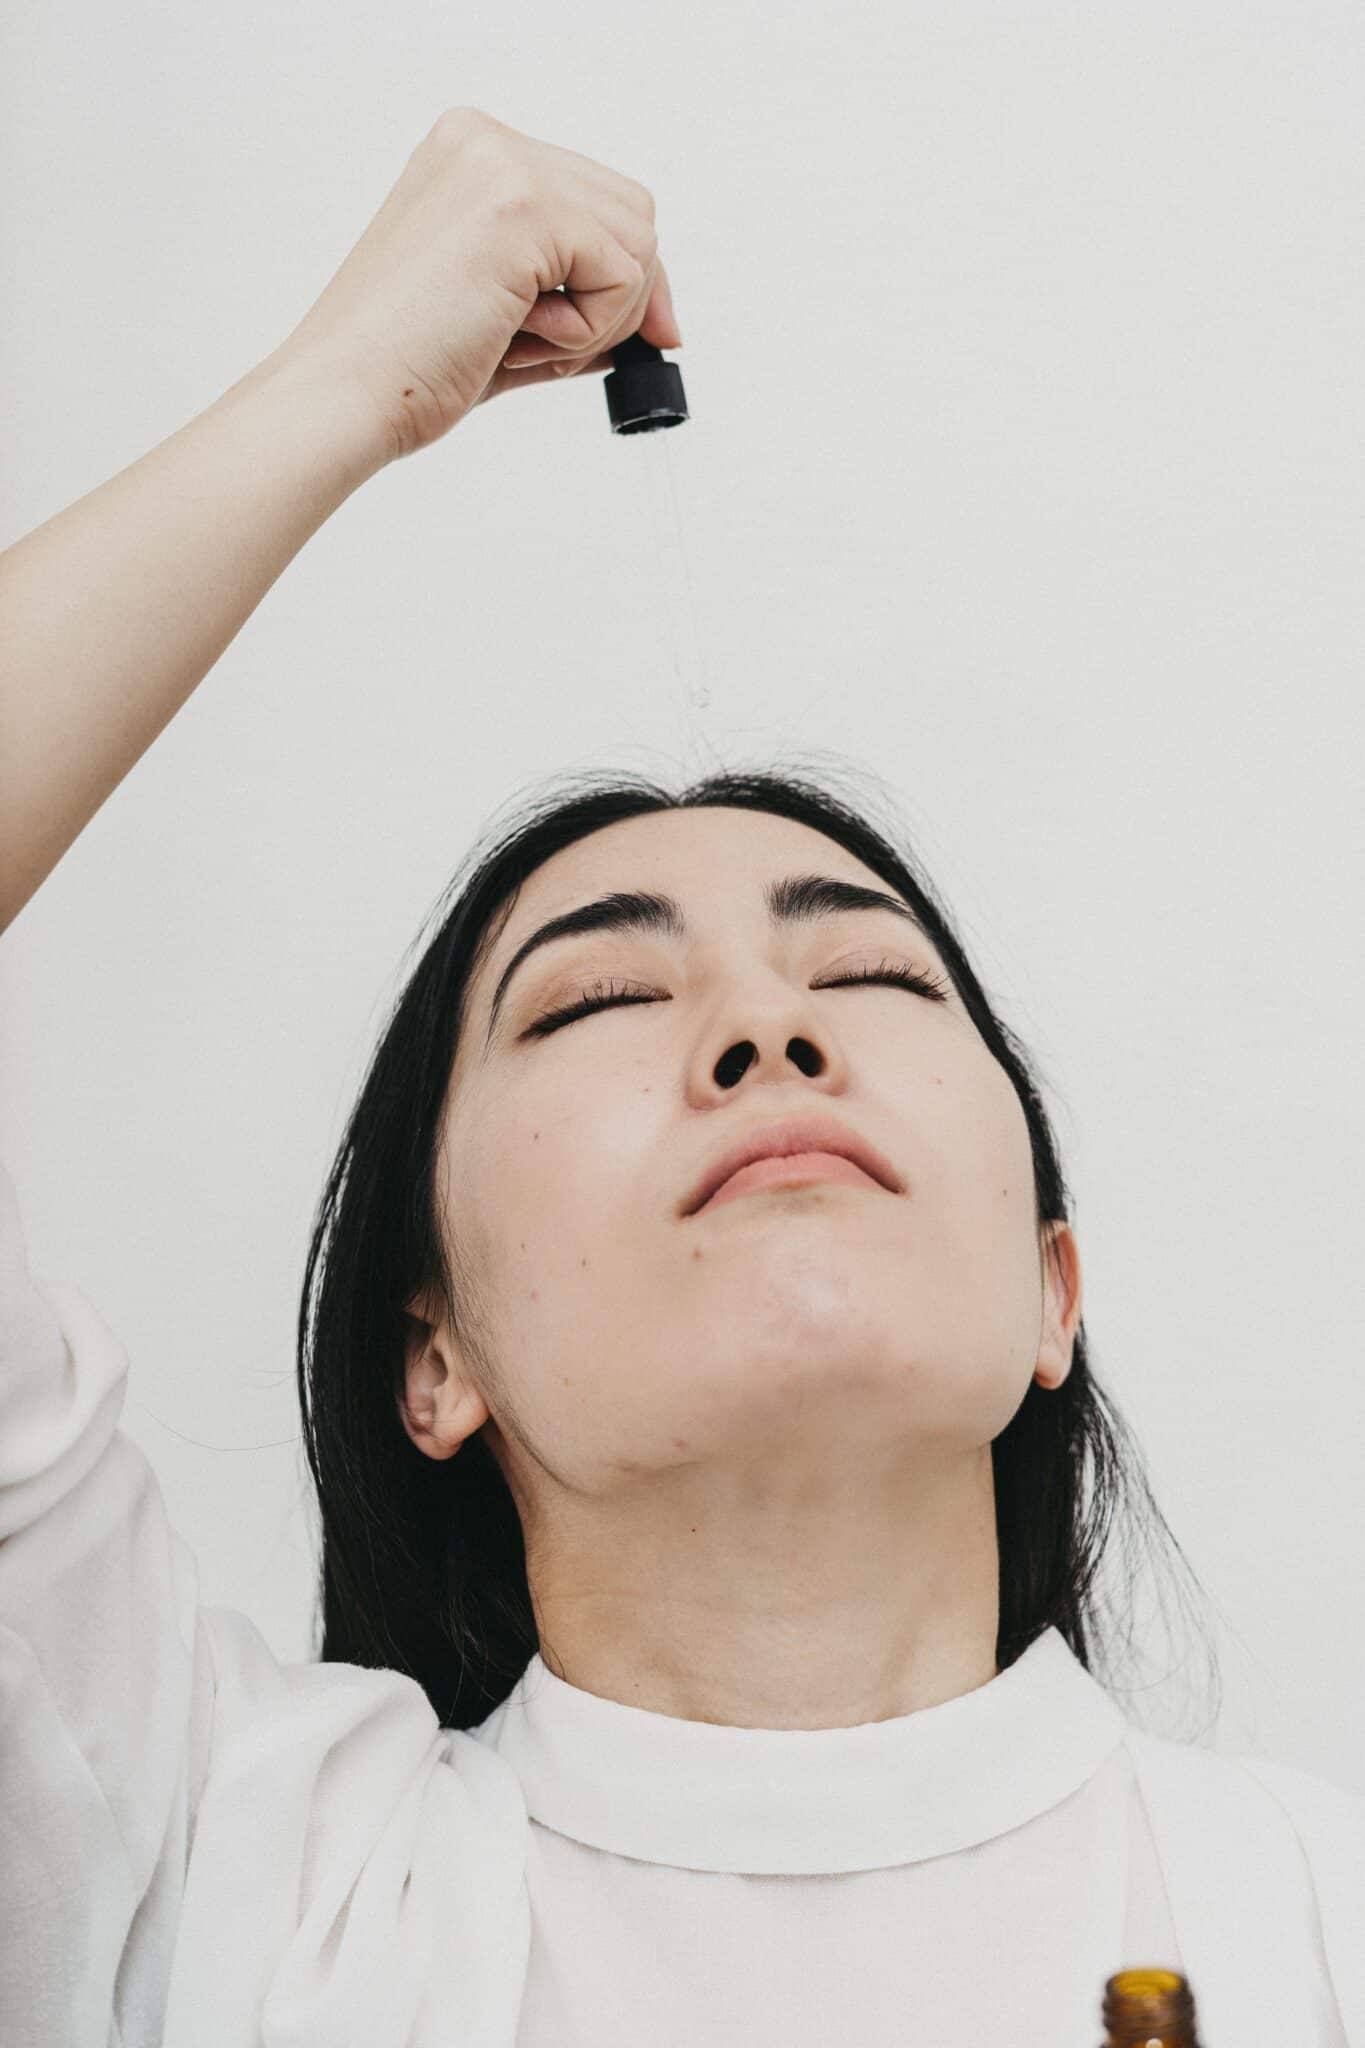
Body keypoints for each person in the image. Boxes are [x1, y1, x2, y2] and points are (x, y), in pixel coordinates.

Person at [0, 106, 1359, 2048]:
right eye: (588, 1005)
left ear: (1051, 1288)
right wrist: (339, 387)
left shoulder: (1318, 1926)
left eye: (868, 974)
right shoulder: (215, 1870)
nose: (761, 1031)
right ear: (431, 1350)